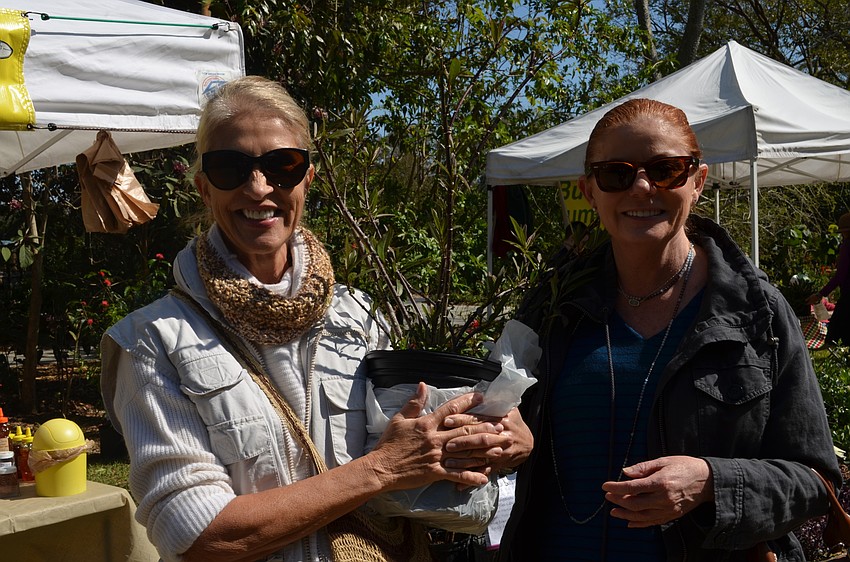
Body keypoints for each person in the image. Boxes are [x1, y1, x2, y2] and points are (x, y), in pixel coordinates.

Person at [100, 75, 531, 562]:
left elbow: (408, 452)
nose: (258, 187)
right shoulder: (151, 341)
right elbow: (198, 534)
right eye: (230, 168)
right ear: (204, 188)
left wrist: (489, 432)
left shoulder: (358, 314)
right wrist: (381, 470)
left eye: (282, 165)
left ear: (308, 178)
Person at [498, 98, 841, 561]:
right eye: (616, 174)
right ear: (591, 190)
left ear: (697, 181)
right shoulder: (554, 307)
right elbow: (499, 417)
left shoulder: (757, 314)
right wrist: (497, 430)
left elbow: (816, 480)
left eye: (666, 170)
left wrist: (712, 482)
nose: (641, 188)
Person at [808, 211, 850, 346]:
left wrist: (821, 294)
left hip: (848, 296)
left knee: (835, 332)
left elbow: (840, 276)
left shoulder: (847, 246)